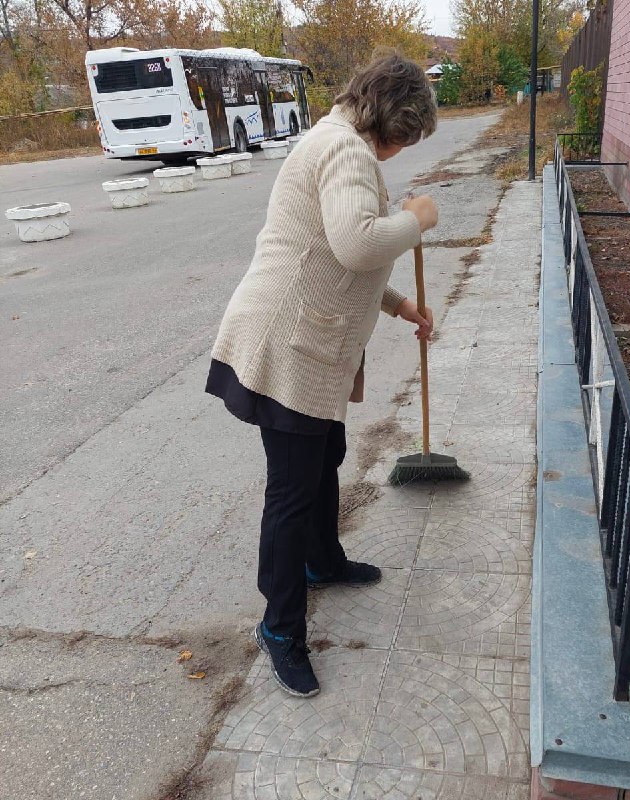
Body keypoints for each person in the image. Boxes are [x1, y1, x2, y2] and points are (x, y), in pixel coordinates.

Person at [205, 53, 439, 697]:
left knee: (325, 454)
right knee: (291, 490)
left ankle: (322, 561)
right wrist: (417, 220)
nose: (402, 150)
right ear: (390, 121)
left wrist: (399, 304)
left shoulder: (339, 139)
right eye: (406, 137)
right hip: (288, 344)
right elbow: (359, 243)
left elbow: (335, 252)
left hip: (306, 336)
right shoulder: (345, 150)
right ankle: (280, 628)